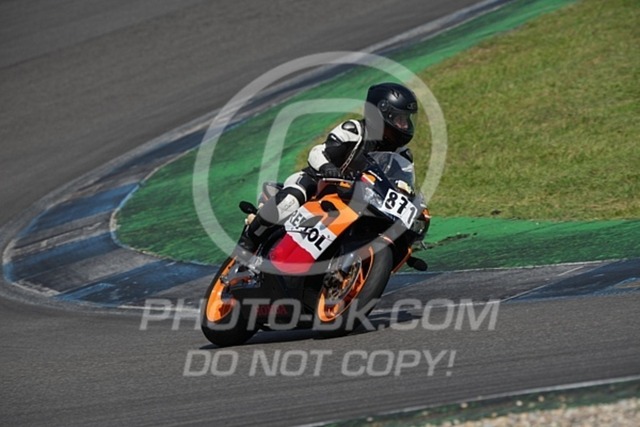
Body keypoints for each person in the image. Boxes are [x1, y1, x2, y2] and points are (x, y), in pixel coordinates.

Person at [238, 82, 420, 254]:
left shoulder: (402, 155)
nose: (405, 126)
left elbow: (404, 185)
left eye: (406, 120)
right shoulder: (353, 130)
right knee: (290, 201)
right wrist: (328, 167)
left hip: (358, 198)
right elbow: (317, 152)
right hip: (318, 182)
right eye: (400, 119)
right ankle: (248, 239)